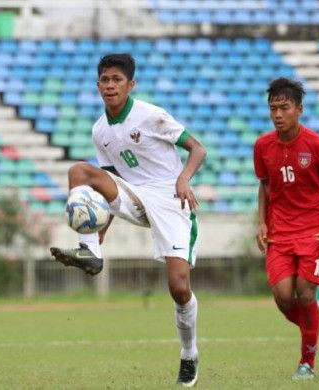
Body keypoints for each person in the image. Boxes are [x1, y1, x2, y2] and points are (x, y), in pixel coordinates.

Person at [49, 53, 206, 387]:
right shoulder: (100, 130)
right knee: (79, 171)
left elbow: (198, 149)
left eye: (116, 80)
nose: (110, 86)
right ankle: (90, 250)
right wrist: (99, 232)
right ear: (98, 85)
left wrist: (184, 179)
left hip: (170, 199)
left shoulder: (151, 115)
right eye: (105, 80)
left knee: (179, 288)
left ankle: (189, 353)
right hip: (135, 196)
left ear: (130, 84)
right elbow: (105, 189)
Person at [253, 77, 319, 381]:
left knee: (305, 295)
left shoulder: (318, 145)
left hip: (314, 232)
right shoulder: (262, 145)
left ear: (300, 109)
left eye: (284, 108)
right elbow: (265, 185)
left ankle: (307, 361)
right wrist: (262, 222)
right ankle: (313, 327)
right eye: (273, 108)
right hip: (280, 233)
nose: (278, 114)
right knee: (284, 298)